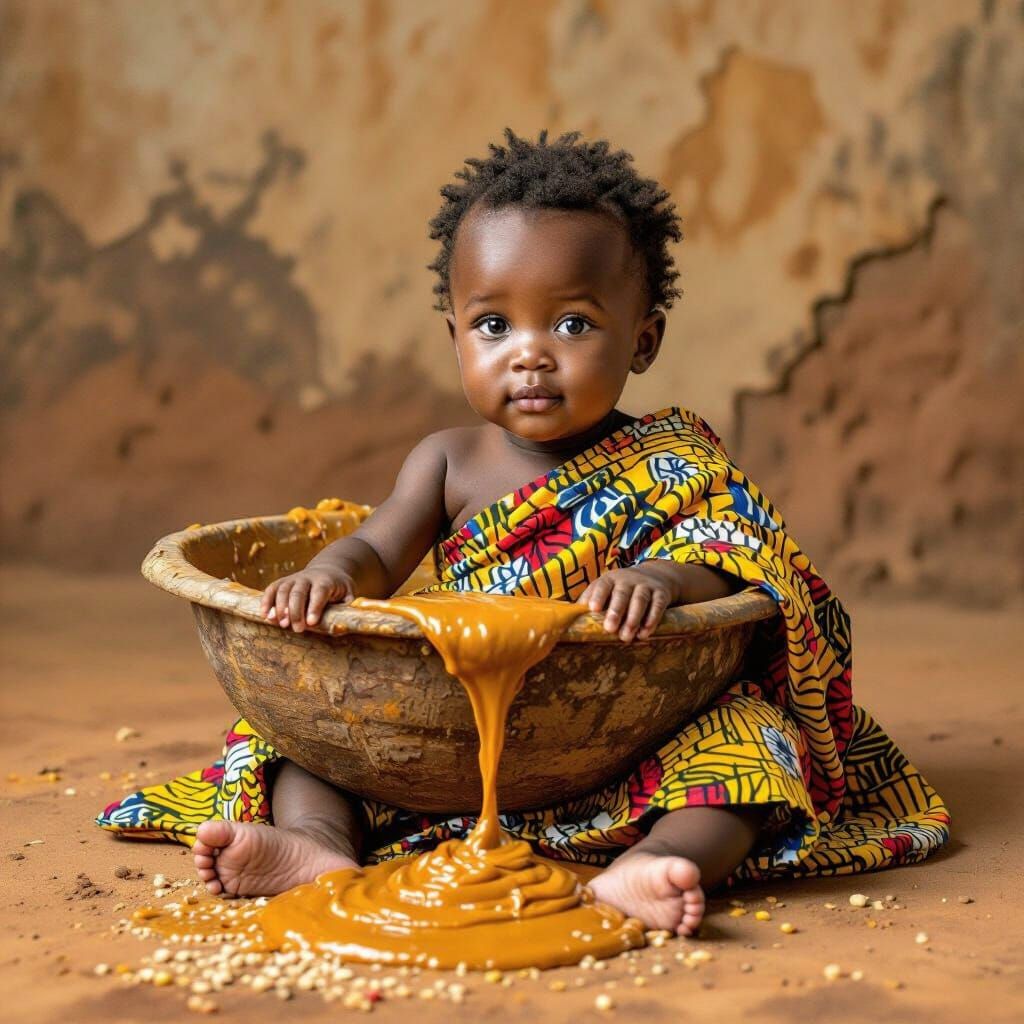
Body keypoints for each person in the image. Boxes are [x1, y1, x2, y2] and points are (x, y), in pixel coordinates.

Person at [98, 129, 949, 937]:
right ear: (455, 337)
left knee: (753, 747)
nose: (530, 354)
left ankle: (658, 864)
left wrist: (663, 580)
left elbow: (739, 557)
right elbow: (375, 550)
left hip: (624, 737)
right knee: (290, 737)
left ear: (643, 339)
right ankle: (319, 848)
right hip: (443, 738)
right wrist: (329, 574)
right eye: (494, 325)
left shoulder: (669, 459)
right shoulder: (445, 461)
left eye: (573, 324)